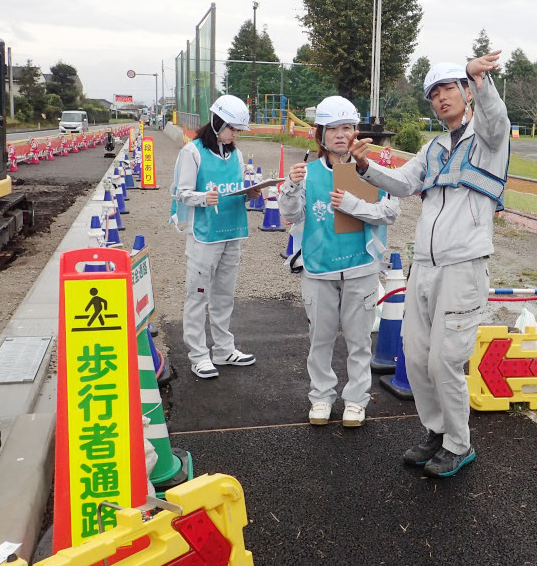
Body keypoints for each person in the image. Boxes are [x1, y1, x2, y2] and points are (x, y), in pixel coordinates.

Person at [349, 51, 510, 477]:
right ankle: (436, 433)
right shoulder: (434, 147)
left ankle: (459, 444)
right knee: (417, 358)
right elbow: (402, 183)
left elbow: (497, 118)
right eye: (434, 93)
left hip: (464, 267)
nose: (441, 99)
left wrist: (481, 80)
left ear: (466, 93)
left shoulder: (489, 139)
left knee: (445, 360)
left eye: (449, 89)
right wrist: (363, 165)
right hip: (424, 264)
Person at [279, 96, 399, 427]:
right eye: (332, 128)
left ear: (356, 132)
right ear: (320, 134)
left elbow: (390, 212)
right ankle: (320, 397)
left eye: (347, 127)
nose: (340, 134)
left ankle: (356, 401)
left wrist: (352, 205)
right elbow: (291, 216)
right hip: (318, 270)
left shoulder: (371, 172)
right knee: (321, 339)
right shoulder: (307, 173)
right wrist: (289, 187)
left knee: (360, 342)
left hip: (362, 267)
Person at [171, 94, 262, 379]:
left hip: (232, 231)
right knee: (197, 295)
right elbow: (182, 193)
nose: (235, 134)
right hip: (204, 236)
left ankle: (223, 349)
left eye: (238, 130)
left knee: (224, 295)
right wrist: (203, 198)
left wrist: (250, 193)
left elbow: (233, 187)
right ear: (216, 121)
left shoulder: (235, 154)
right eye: (232, 128)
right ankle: (198, 355)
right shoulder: (193, 152)